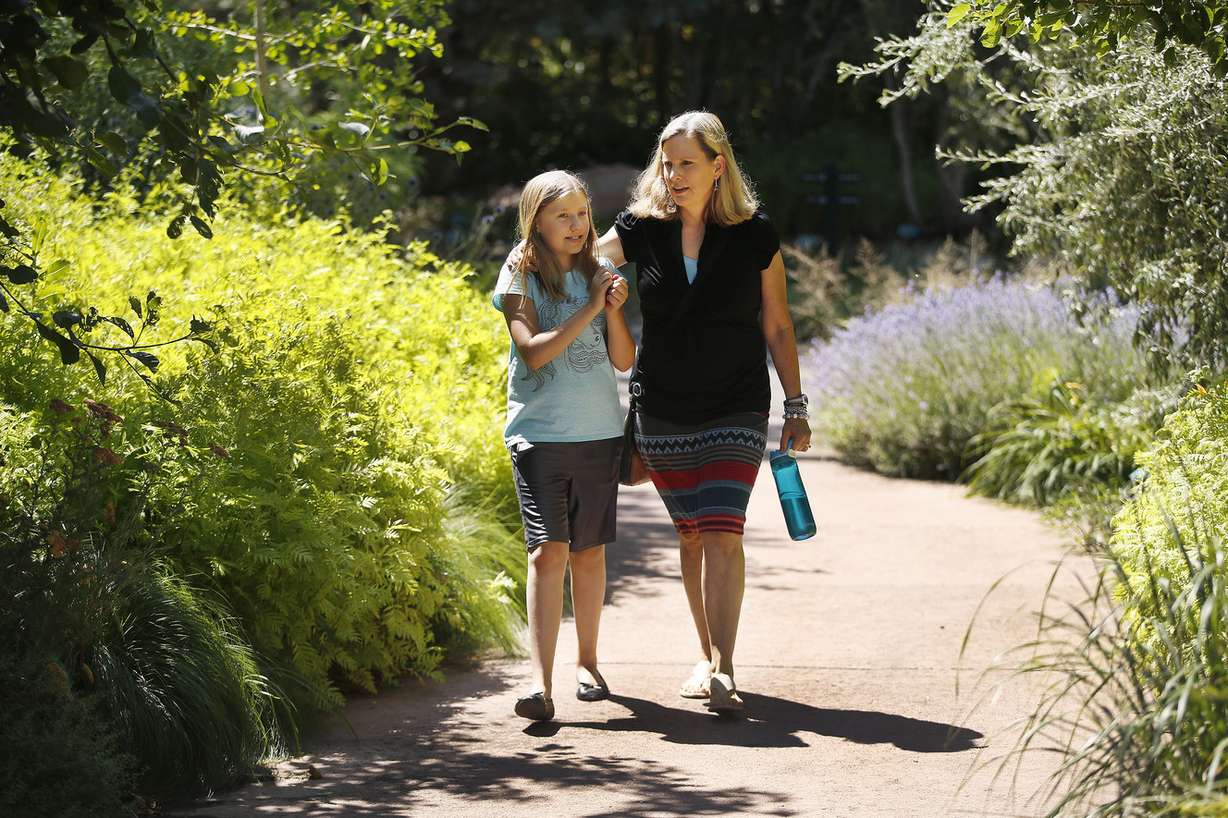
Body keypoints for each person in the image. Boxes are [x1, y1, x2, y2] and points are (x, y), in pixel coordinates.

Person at [598, 111, 812, 713]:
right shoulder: (642, 226)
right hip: (662, 407)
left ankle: (725, 668)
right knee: (691, 537)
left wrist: (794, 404)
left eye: (686, 163)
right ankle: (706, 654)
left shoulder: (754, 233)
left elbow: (777, 322)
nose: (673, 174)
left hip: (736, 405)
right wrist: (538, 261)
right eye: (666, 163)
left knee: (722, 531)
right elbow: (588, 257)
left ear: (719, 166)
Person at [493, 170, 635, 721]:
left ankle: (589, 663)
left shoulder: (599, 268)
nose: (578, 226)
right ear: (537, 222)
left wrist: (614, 308)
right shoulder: (519, 270)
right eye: (564, 216)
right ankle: (540, 685)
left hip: (599, 431)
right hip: (540, 436)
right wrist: (591, 308)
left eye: (583, 214)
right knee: (546, 553)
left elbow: (623, 360)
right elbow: (532, 353)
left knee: (589, 553)